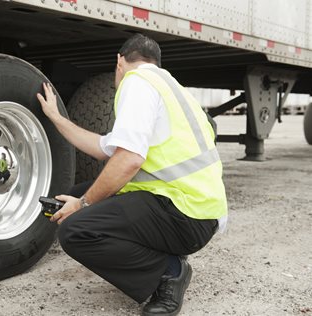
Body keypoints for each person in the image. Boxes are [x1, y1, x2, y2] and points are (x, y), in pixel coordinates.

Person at [36, 33, 227, 316]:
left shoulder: (136, 82)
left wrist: (84, 205)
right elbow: (103, 148)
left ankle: (170, 272)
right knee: (74, 197)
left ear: (119, 61)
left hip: (187, 213)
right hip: (197, 208)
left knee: (76, 228)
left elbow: (128, 161)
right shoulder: (171, 87)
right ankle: (162, 252)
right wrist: (55, 117)